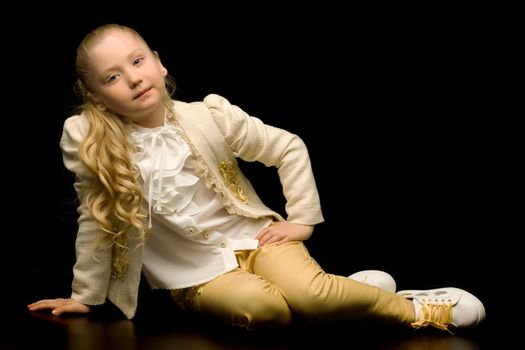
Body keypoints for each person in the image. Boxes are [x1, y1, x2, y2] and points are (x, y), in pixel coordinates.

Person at [28, 24, 485, 333]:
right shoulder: (89, 139)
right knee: (268, 312)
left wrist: (302, 220)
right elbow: (96, 217)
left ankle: (422, 310)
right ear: (98, 96)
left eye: (138, 61)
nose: (132, 79)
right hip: (196, 277)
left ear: (159, 63)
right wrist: (84, 295)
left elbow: (287, 147)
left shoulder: (207, 116)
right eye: (112, 76)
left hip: (256, 238)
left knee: (312, 296)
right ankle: (352, 294)